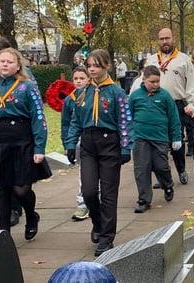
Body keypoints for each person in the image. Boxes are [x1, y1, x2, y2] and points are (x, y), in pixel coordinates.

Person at [66, 49, 134, 256]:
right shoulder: (82, 92)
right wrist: (70, 144)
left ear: (107, 67)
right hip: (88, 144)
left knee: (109, 194)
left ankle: (106, 238)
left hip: (109, 144)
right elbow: (75, 120)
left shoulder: (116, 93)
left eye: (96, 65)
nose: (92, 69)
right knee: (88, 191)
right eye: (89, 65)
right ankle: (98, 222)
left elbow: (125, 121)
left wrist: (125, 147)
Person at [0, 47, 50, 238]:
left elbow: (39, 118)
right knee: (1, 189)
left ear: (18, 65)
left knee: (21, 189)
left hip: (21, 143)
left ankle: (31, 215)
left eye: (10, 62)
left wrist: (39, 147)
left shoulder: (28, 87)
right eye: (2, 61)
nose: (5, 65)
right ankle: (5, 236)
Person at [145, 28, 194, 179]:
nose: (165, 42)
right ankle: (162, 175)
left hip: (176, 104)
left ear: (174, 39)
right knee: (157, 141)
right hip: (155, 104)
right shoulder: (152, 60)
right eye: (162, 39)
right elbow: (143, 81)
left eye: (167, 38)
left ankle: (181, 170)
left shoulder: (183, 59)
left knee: (177, 139)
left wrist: (192, 104)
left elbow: (191, 84)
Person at [129, 65, 182, 213]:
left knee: (161, 166)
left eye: (158, 81)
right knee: (142, 168)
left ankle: (168, 184)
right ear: (144, 79)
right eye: (152, 81)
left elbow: (173, 117)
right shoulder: (135, 96)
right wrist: (127, 136)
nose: (156, 84)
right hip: (140, 137)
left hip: (160, 138)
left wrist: (177, 137)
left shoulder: (164, 96)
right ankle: (144, 200)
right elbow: (128, 117)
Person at [61, 66, 91, 221]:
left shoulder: (93, 96)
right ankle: (82, 203)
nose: (78, 81)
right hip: (77, 140)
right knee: (83, 173)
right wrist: (68, 144)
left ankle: (95, 199)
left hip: (93, 139)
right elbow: (66, 123)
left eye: (82, 78)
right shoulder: (69, 100)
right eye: (76, 79)